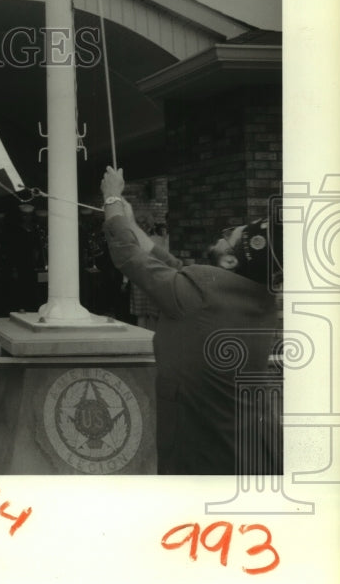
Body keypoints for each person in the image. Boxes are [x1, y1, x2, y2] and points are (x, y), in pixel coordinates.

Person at [100, 166, 281, 476]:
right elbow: (173, 266)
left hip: (208, 459)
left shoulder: (198, 298)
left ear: (230, 261)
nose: (222, 234)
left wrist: (112, 196)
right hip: (253, 452)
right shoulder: (256, 300)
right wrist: (130, 222)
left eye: (229, 237)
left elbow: (129, 255)